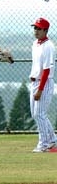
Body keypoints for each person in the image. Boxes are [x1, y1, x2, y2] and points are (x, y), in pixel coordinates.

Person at [28, 17, 57, 153]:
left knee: (40, 114)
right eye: (35, 28)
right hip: (34, 81)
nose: (36, 30)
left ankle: (44, 144)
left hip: (44, 82)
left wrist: (40, 89)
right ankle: (52, 140)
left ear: (46, 30)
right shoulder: (35, 43)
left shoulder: (49, 46)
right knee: (36, 114)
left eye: (39, 28)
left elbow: (46, 70)